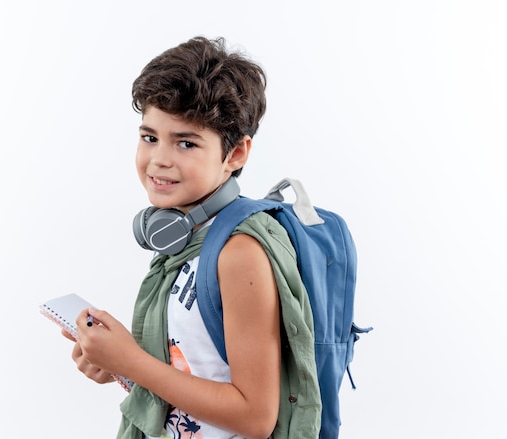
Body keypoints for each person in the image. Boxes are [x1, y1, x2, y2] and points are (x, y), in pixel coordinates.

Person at [62, 36, 321, 439]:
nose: (160, 159)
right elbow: (195, 371)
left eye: (186, 142)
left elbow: (255, 416)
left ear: (235, 154)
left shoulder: (239, 252)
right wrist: (118, 364)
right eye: (150, 137)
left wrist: (133, 363)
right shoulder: (182, 236)